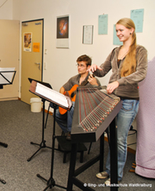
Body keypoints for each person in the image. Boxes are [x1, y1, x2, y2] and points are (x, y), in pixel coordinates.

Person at [88, 18, 148, 185]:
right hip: (112, 99)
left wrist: (118, 82)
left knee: (120, 140)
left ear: (131, 30)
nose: (119, 33)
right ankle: (109, 170)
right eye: (117, 31)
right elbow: (103, 71)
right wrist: (95, 69)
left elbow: (141, 74)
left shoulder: (140, 51)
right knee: (111, 137)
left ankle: (116, 176)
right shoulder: (115, 51)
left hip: (128, 101)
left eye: (122, 30)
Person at [55, 54, 101, 140]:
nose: (79, 67)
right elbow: (62, 88)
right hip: (73, 108)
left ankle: (70, 132)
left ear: (88, 67)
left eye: (82, 65)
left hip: (86, 110)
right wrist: (64, 96)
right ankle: (70, 132)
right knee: (57, 113)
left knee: (72, 106)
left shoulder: (92, 80)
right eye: (78, 65)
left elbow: (98, 96)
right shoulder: (74, 79)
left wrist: (95, 85)